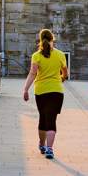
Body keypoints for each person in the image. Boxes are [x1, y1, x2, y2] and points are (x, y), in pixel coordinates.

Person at [23, 29, 68, 159]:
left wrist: (25, 90)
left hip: (41, 91)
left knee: (43, 118)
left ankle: (42, 144)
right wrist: (61, 78)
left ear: (40, 39)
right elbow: (65, 73)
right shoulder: (60, 55)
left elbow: (32, 74)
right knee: (51, 119)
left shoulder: (36, 55)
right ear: (52, 39)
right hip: (56, 91)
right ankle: (50, 149)